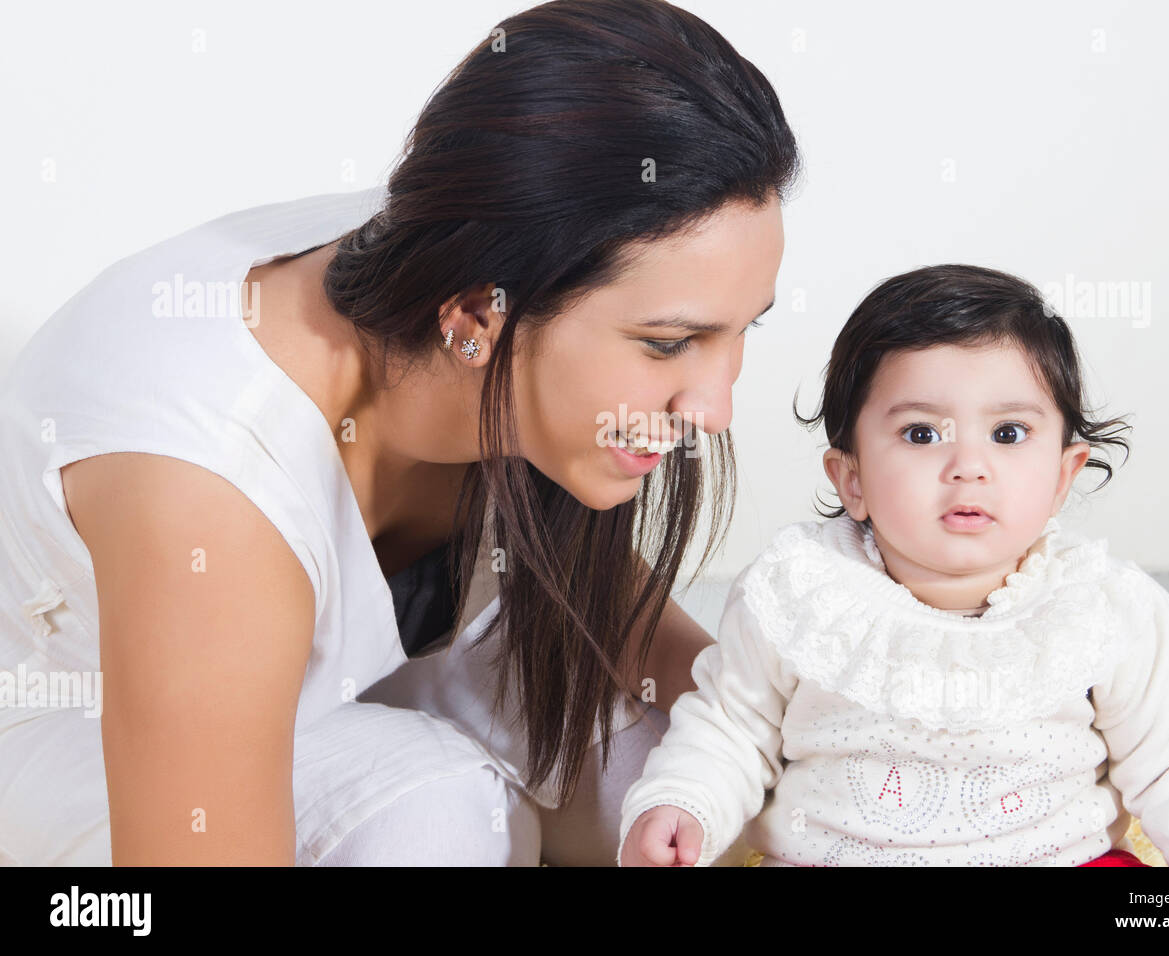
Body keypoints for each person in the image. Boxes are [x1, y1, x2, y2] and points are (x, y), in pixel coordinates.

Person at [0, 0, 800, 866]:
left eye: (742, 330)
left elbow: (610, 613)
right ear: (472, 322)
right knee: (440, 810)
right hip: (88, 735)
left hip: (342, 678)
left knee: (712, 780)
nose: (713, 409)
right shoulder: (206, 487)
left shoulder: (493, 242)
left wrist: (800, 741)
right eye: (669, 344)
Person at [617, 264, 1169, 867]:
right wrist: (683, 805)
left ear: (1064, 476)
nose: (968, 465)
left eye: (1008, 434)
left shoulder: (1104, 610)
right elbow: (731, 728)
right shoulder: (801, 594)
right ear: (850, 478)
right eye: (920, 433)